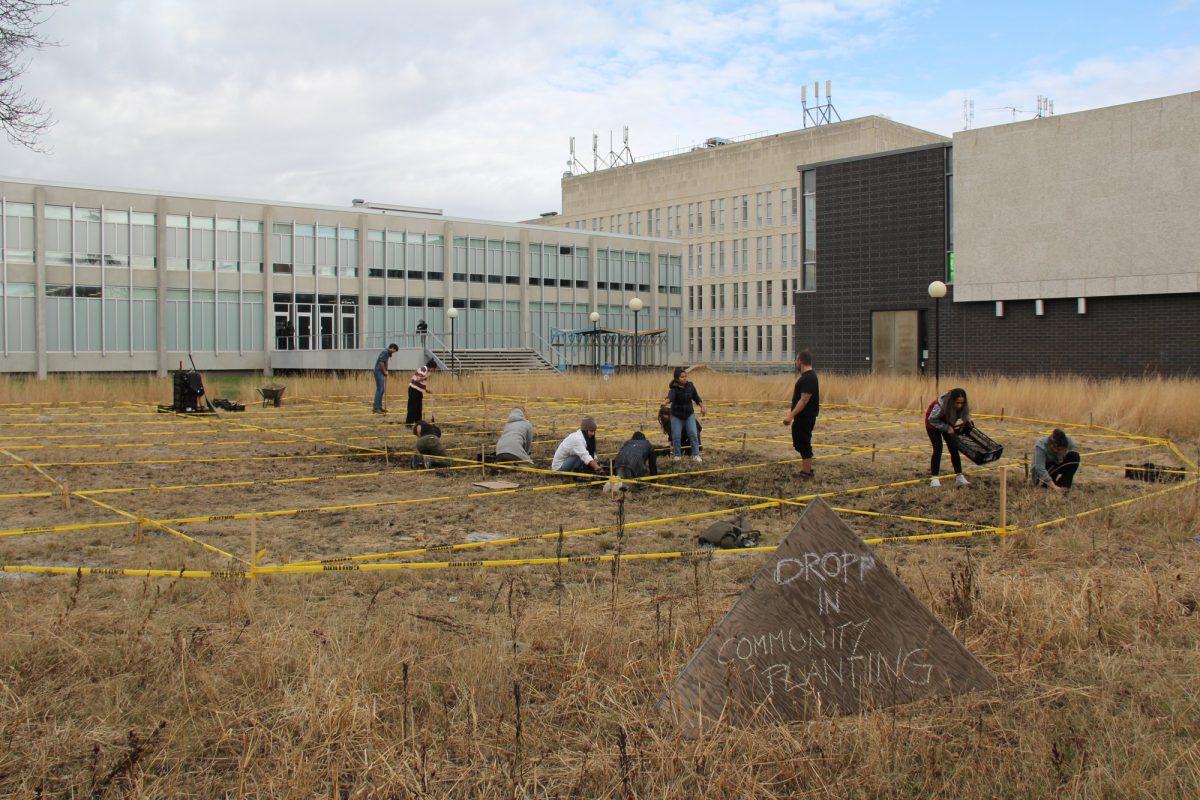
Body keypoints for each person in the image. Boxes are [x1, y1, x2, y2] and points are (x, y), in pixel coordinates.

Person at [782, 350, 820, 479]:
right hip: (803, 417)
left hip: (806, 416)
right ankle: (807, 469)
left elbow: (804, 399)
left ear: (801, 361)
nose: (796, 363)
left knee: (803, 443)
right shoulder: (807, 377)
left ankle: (806, 472)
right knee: (799, 442)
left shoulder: (809, 378)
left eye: (796, 361)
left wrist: (790, 416)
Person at [925, 387, 973, 487]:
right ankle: (934, 479)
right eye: (957, 403)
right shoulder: (940, 405)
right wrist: (946, 428)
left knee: (954, 448)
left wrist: (968, 420)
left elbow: (965, 414)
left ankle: (959, 477)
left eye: (961, 403)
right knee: (938, 449)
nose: (959, 406)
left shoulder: (962, 406)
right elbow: (932, 420)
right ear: (951, 401)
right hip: (933, 424)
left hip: (948, 423)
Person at [665, 367, 705, 463]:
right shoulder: (674, 388)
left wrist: (702, 407)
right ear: (677, 378)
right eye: (682, 377)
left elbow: (696, 397)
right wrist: (665, 402)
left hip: (689, 414)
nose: (685, 378)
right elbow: (670, 397)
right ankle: (677, 455)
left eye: (685, 376)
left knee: (693, 434)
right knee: (676, 435)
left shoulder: (690, 386)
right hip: (676, 415)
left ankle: (695, 455)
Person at [1032, 428, 1080, 494]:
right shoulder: (1041, 446)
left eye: (1063, 450)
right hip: (1044, 470)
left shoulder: (1069, 441)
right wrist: (1054, 487)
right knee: (1048, 485)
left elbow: (1070, 449)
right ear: (1052, 446)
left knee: (1074, 456)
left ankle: (1064, 487)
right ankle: (1048, 487)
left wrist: (1061, 457)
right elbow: (1040, 468)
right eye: (1059, 450)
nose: (1061, 451)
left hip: (1056, 464)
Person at [372, 343, 398, 413]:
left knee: (382, 390)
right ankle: (376, 408)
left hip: (381, 372)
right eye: (394, 351)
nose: (394, 352)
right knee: (380, 389)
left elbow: (384, 363)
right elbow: (381, 363)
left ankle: (379, 407)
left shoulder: (387, 353)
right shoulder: (385, 352)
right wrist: (384, 371)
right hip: (378, 372)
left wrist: (385, 371)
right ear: (392, 348)